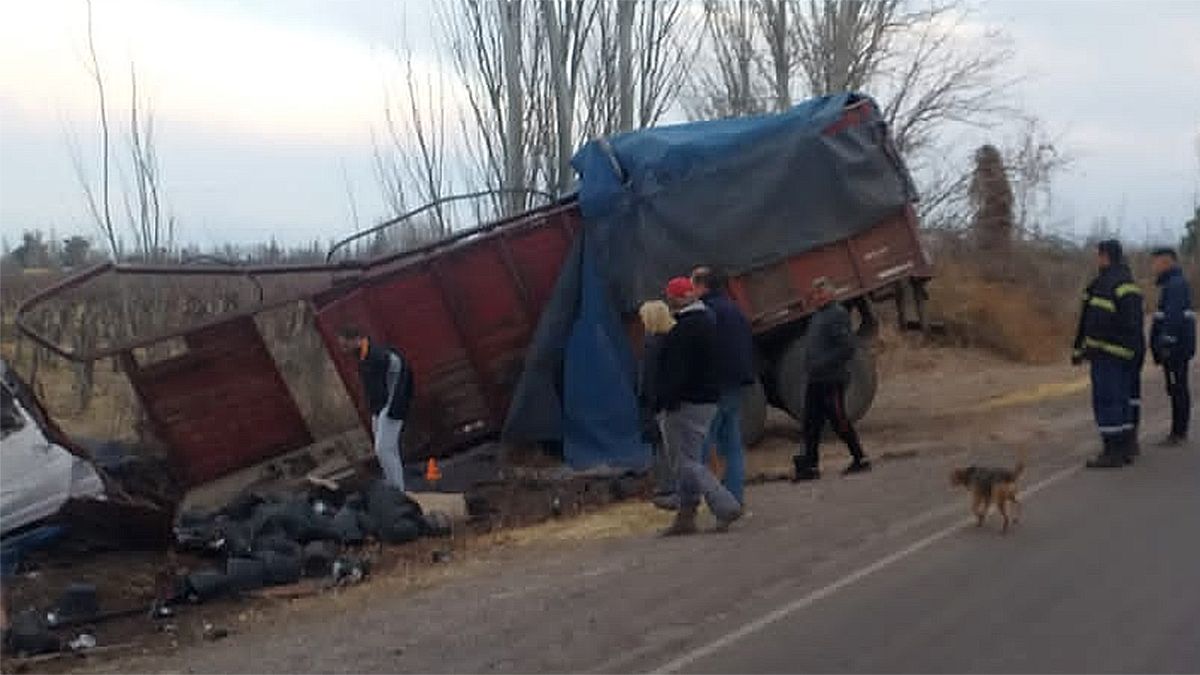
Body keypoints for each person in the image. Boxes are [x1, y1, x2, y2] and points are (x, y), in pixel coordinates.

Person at [657, 277, 743, 535]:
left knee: (685, 462)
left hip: (687, 402)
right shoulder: (708, 320)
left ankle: (725, 504)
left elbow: (676, 372)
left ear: (675, 298)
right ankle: (686, 516)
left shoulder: (685, 329)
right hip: (707, 398)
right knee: (692, 458)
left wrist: (666, 401)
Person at [1072, 239, 1144, 469]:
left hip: (1107, 354)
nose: (1097, 260)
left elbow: (1097, 322)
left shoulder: (1105, 283)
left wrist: (1086, 349)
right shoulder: (1129, 282)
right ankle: (1124, 448)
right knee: (1122, 400)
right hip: (1127, 353)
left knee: (1106, 401)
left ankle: (1111, 452)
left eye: (1098, 256)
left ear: (1105, 257)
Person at [793, 278, 872, 481]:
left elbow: (847, 347)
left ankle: (860, 458)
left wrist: (824, 363)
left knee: (839, 421)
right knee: (811, 422)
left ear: (831, 294)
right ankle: (810, 466)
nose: (816, 297)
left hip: (831, 379)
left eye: (821, 293)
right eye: (815, 293)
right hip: (815, 379)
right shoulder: (818, 315)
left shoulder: (837, 314)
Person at [691, 266, 755, 505]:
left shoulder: (705, 312)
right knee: (732, 445)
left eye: (693, 283)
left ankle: (714, 502)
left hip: (712, 388)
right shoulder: (733, 309)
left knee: (702, 447)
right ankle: (735, 497)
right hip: (734, 385)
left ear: (702, 286)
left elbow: (700, 352)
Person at [337, 326, 414, 490]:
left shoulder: (376, 355)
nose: (343, 350)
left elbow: (400, 369)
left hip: (390, 405)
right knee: (388, 450)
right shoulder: (364, 356)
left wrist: (396, 401)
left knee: (383, 449)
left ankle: (397, 489)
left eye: (345, 345)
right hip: (379, 408)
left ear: (356, 339)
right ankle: (396, 486)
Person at [1149, 247, 1194, 445]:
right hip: (1177, 347)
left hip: (1176, 349)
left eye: (1156, 262)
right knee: (1176, 387)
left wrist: (1166, 343)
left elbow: (1173, 318)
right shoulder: (1173, 283)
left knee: (1178, 388)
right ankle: (1178, 431)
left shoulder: (1175, 285)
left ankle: (1178, 433)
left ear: (1167, 262)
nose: (1154, 267)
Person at [637, 300, 679, 510]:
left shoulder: (653, 344)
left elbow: (649, 379)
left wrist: (649, 404)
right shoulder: (674, 339)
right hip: (670, 402)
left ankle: (670, 489)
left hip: (659, 405)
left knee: (662, 447)